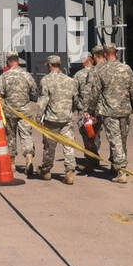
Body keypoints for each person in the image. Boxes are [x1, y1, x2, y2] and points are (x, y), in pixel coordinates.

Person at [87, 42, 133, 184]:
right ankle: (117, 165)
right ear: (116, 53)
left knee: (115, 140)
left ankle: (121, 170)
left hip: (109, 111)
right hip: (125, 111)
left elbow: (95, 93)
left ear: (105, 54)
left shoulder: (100, 70)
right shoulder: (126, 69)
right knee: (122, 139)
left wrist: (90, 110)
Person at [0, 52, 39, 174]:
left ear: (8, 61)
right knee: (26, 135)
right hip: (24, 111)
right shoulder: (26, 75)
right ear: (18, 61)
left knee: (10, 136)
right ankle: (29, 159)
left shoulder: (4, 76)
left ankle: (12, 163)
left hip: (9, 111)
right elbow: (34, 91)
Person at [36, 55, 78, 183]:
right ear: (59, 65)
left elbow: (43, 101)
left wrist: (38, 118)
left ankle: (46, 171)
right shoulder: (70, 80)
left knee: (49, 147)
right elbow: (75, 99)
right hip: (66, 118)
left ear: (49, 65)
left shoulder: (46, 80)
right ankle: (70, 171)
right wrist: (71, 111)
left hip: (51, 120)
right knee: (69, 145)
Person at [74, 53, 101, 172]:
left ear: (86, 61)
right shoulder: (99, 72)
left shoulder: (78, 75)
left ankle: (90, 160)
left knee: (86, 135)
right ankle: (95, 158)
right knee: (96, 134)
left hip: (85, 111)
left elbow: (74, 93)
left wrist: (79, 107)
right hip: (98, 110)